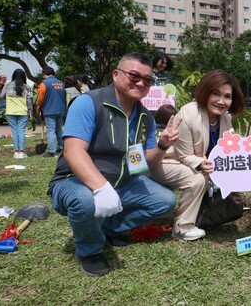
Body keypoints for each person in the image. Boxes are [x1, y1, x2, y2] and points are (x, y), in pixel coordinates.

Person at [47, 53, 179, 277]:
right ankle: (89, 249)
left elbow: (142, 163)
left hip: (122, 183)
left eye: (147, 80)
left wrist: (163, 146)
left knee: (165, 200)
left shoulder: (144, 117)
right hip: (75, 182)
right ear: (116, 75)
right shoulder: (89, 102)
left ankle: (109, 227)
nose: (141, 83)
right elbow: (73, 151)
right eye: (134, 76)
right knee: (85, 201)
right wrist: (101, 188)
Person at [151, 70, 245, 241]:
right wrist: (202, 164)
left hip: (196, 163)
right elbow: (184, 155)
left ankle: (201, 215)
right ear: (205, 91)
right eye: (215, 93)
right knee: (197, 179)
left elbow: (230, 145)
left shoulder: (225, 118)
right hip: (168, 161)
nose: (221, 101)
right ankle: (182, 228)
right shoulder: (188, 113)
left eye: (227, 96)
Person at [37, 66, 66, 157]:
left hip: (50, 110)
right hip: (61, 109)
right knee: (59, 129)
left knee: (51, 130)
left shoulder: (44, 83)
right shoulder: (61, 83)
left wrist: (40, 107)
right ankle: (61, 148)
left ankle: (52, 151)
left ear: (45, 74)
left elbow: (40, 98)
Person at [4, 69, 33, 158]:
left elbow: (1, 96)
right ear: (24, 76)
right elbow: (29, 101)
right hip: (22, 112)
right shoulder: (27, 87)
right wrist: (30, 113)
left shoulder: (7, 85)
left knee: (14, 131)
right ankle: (22, 152)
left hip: (10, 111)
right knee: (21, 131)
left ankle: (16, 152)